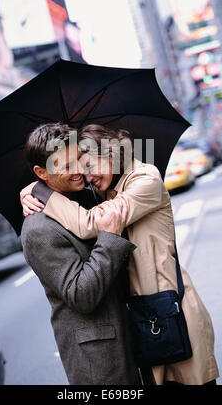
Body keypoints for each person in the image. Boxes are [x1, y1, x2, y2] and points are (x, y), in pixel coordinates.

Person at [21, 123, 219, 386]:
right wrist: (36, 189)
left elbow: (93, 223)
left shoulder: (143, 179)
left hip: (171, 311)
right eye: (72, 164)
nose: (83, 173)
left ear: (109, 152)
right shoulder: (108, 190)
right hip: (148, 321)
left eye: (86, 164)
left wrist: (39, 191)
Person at [20, 122, 141, 385]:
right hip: (100, 363)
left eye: (78, 159)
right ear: (41, 172)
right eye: (65, 166)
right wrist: (109, 238)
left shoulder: (88, 196)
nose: (78, 171)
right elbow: (82, 295)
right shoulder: (38, 228)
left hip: (132, 339)